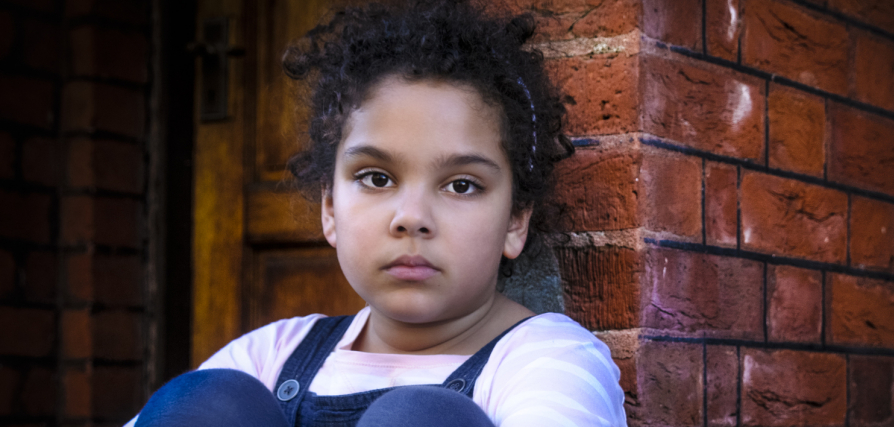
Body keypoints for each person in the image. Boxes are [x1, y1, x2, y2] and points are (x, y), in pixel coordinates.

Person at [126, 1, 626, 425]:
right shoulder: (275, 354)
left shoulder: (545, 361)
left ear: (515, 221)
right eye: (377, 178)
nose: (411, 217)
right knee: (207, 405)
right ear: (329, 207)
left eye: (461, 184)